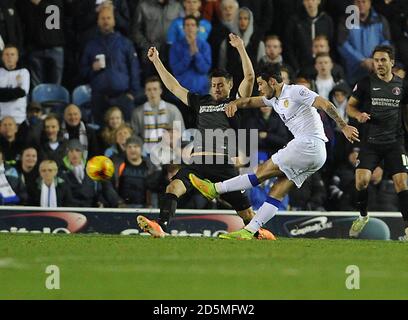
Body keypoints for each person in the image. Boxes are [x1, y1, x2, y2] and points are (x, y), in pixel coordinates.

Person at [189, 63, 359, 240]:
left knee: (261, 172)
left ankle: (214, 188)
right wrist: (234, 103)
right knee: (278, 189)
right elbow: (249, 101)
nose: (260, 88)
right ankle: (249, 231)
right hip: (315, 154)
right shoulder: (273, 99)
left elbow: (325, 103)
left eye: (261, 84)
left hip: (309, 144)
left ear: (272, 81)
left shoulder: (295, 91)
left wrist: (344, 126)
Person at [137, 34, 275, 240]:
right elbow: (174, 87)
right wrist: (156, 61)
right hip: (198, 163)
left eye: (220, 84)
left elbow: (249, 78)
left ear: (229, 85)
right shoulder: (200, 101)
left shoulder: (235, 103)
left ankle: (259, 233)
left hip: (223, 165)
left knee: (246, 213)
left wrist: (240, 48)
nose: (216, 88)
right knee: (173, 187)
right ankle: (160, 226)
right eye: (213, 85)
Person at [346, 45, 408, 240]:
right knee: (361, 181)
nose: (379, 64)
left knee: (402, 183)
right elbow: (349, 107)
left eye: (383, 60)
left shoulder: (403, 86)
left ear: (392, 63)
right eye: (376, 60)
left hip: (394, 142)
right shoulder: (365, 83)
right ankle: (363, 216)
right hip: (371, 142)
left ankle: (407, 229)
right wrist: (359, 116)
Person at [80, 3, 142, 124]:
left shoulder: (125, 43)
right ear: (97, 21)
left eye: (109, 18)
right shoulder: (91, 45)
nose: (106, 21)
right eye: (102, 18)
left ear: (114, 21)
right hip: (99, 98)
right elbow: (83, 71)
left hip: (123, 97)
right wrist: (92, 68)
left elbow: (134, 69)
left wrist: (132, 93)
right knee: (100, 134)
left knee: (126, 130)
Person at [338, 0, 391, 85]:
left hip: (376, 71)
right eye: (358, 2)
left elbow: (386, 42)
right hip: (353, 74)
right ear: (354, 4)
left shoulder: (380, 20)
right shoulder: (346, 21)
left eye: (364, 1)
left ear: (370, 3)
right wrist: (362, 60)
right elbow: (342, 45)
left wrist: (376, 60)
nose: (361, 5)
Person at [131, 76, 185, 156]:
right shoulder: (137, 113)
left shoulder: (173, 110)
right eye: (149, 90)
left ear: (160, 91)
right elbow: (135, 135)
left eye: (155, 89)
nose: (152, 92)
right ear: (145, 92)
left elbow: (181, 133)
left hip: (170, 152)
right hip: (146, 154)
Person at [169, 15, 212, 95]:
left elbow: (205, 69)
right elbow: (176, 70)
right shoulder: (175, 46)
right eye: (187, 25)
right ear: (183, 28)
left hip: (202, 91)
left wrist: (196, 53)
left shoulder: (205, 45)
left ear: (197, 28)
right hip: (182, 91)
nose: (190, 28)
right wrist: (188, 55)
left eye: (192, 25)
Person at [0, 45, 30, 124]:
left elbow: (22, 93)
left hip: (19, 118)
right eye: (6, 54)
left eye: (12, 54)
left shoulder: (24, 72)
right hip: (1, 117)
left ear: (17, 57)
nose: (9, 57)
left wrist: (4, 93)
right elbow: (17, 92)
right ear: (2, 57)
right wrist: (15, 90)